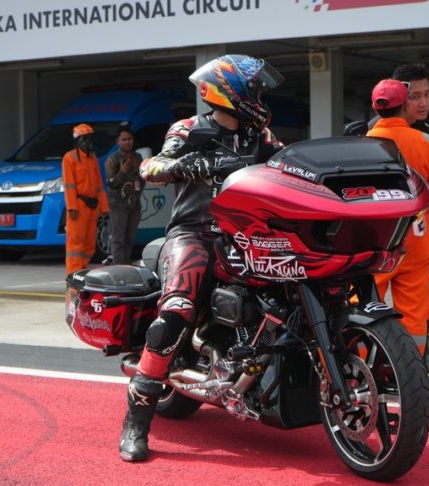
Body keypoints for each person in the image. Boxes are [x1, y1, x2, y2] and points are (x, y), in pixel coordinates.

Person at [119, 54, 285, 462]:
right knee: (176, 310)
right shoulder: (189, 128)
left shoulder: (260, 135)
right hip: (196, 233)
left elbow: (289, 165)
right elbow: (151, 168)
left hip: (248, 235)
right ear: (231, 92)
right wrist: (193, 163)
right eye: (256, 91)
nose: (261, 98)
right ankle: (136, 422)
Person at [366, 79, 429, 358]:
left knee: (364, 302)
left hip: (375, 236)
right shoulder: (426, 142)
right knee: (414, 310)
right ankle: (412, 366)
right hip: (416, 233)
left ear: (376, 108)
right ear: (405, 106)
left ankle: (360, 364)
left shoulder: (363, 143)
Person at [62, 123, 109, 276]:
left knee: (89, 244)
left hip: (92, 207)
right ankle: (73, 276)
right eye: (84, 138)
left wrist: (104, 208)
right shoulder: (69, 158)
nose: (88, 141)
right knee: (75, 245)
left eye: (89, 138)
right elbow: (69, 185)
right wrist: (72, 207)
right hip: (79, 206)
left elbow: (99, 185)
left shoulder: (92, 159)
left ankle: (81, 271)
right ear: (77, 141)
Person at [104, 122, 145, 265]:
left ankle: (127, 265)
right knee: (118, 238)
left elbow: (143, 179)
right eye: (124, 139)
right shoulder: (112, 160)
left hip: (134, 203)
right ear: (117, 141)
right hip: (118, 204)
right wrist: (123, 171)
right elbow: (111, 184)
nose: (127, 142)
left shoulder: (138, 157)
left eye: (130, 139)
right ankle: (118, 266)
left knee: (130, 237)